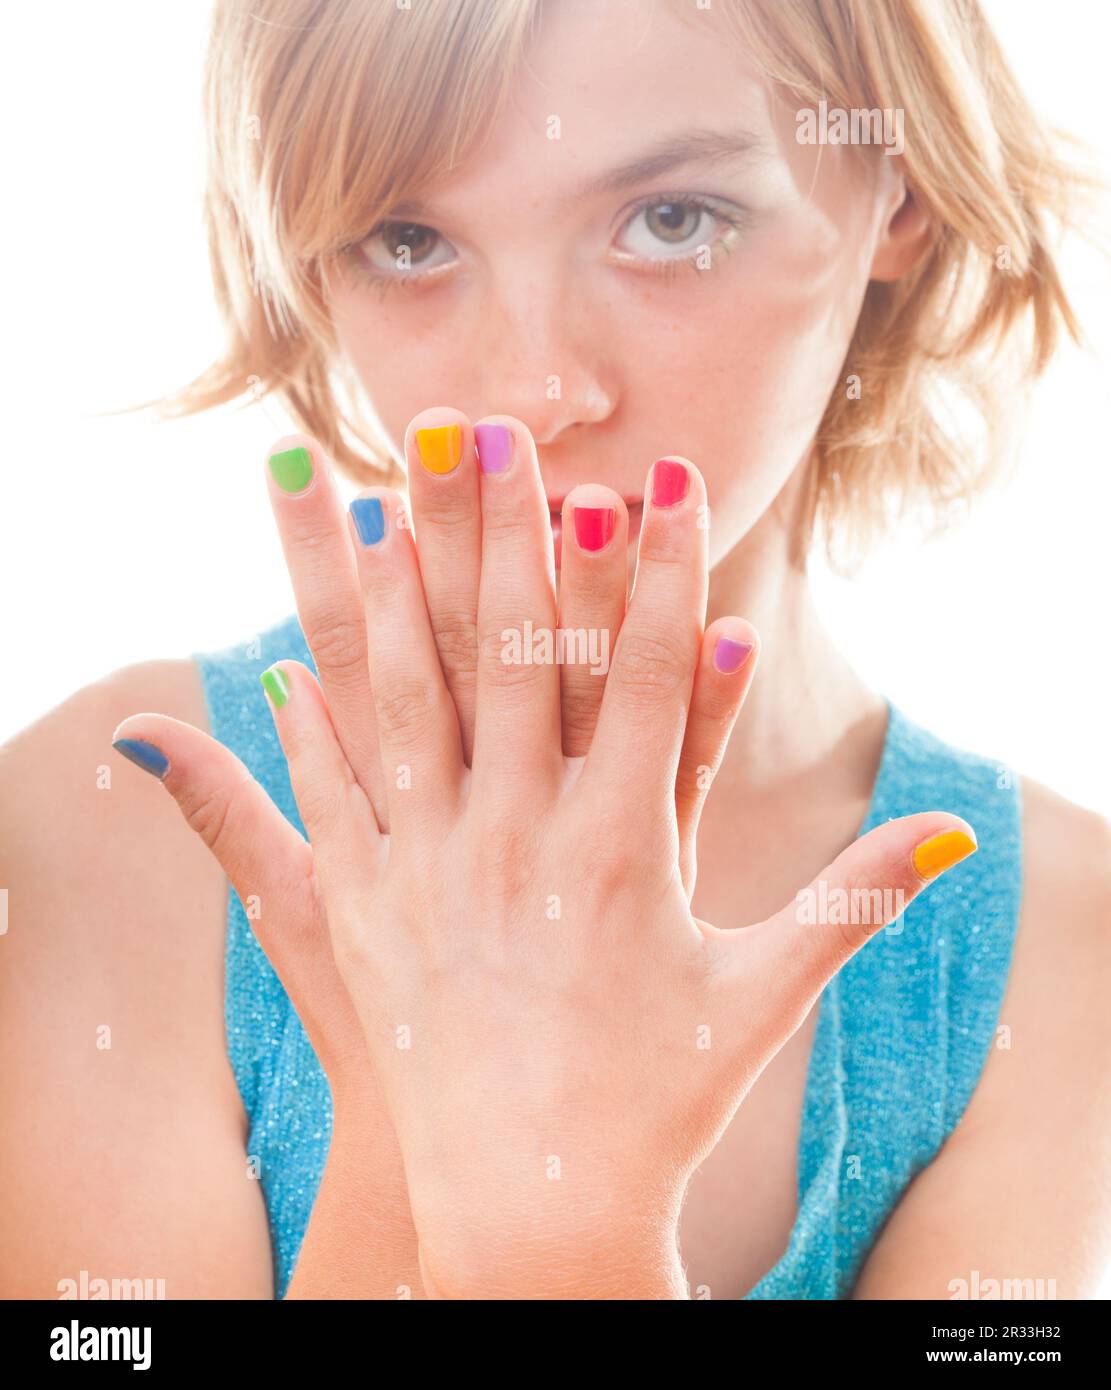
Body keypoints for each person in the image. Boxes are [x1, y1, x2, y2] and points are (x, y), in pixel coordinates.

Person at [2, 0, 1109, 1300]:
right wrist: (403, 1139)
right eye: (408, 239)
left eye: (672, 221)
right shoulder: (111, 821)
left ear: (900, 186)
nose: (534, 390)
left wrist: (560, 1226)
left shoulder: (1056, 940)